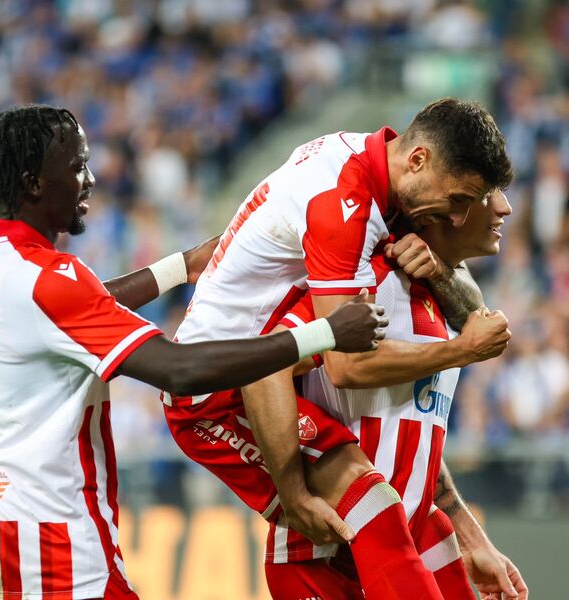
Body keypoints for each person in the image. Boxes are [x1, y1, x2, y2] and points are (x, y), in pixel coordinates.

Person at [0, 105, 387, 600]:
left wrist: (182, 267)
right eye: (77, 166)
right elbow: (180, 370)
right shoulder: (53, 281)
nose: (90, 179)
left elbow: (73, 308)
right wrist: (325, 333)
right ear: (33, 183)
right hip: (52, 536)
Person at [165, 97, 513, 597]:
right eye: (461, 199)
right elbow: (335, 365)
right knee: (372, 503)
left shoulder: (374, 188)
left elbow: (415, 414)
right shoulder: (349, 214)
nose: (460, 216)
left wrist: (467, 529)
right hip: (216, 388)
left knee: (388, 509)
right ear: (418, 160)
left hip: (272, 379)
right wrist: (293, 494)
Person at [251, 190, 527, 599]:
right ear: (450, 206)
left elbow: (413, 434)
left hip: (408, 543)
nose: (505, 207)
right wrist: (293, 496)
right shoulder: (367, 280)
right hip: (326, 557)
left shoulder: (446, 304)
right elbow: (268, 362)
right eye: (487, 193)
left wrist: (470, 536)